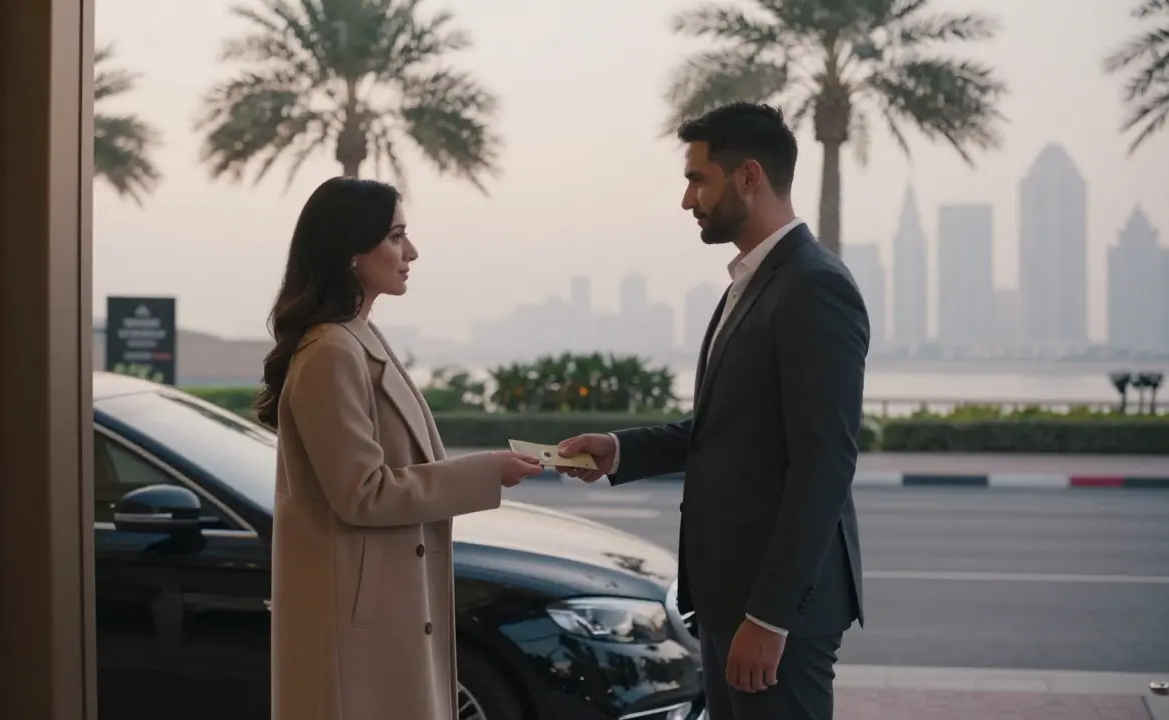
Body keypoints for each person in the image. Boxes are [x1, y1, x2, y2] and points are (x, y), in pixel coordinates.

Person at [557, 102, 868, 720]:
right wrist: (621, 450)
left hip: (777, 613)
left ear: (749, 177)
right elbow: (732, 430)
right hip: (730, 602)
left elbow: (824, 463)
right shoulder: (748, 284)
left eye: (697, 179)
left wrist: (769, 617)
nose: (686, 200)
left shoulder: (814, 287)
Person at [257, 176, 543, 720]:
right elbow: (361, 493)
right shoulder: (331, 352)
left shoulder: (356, 337)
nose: (410, 252)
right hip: (358, 626)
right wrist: (487, 472)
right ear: (351, 252)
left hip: (385, 612)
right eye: (395, 236)